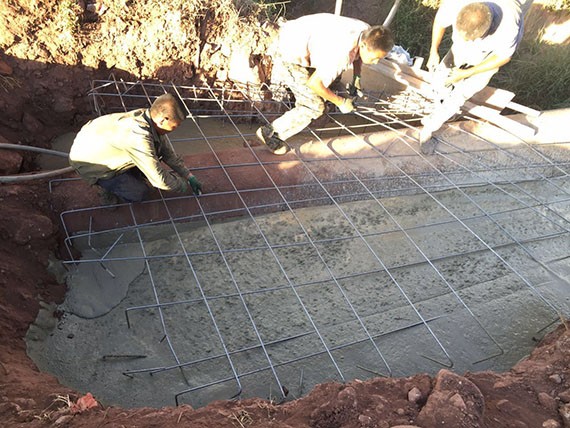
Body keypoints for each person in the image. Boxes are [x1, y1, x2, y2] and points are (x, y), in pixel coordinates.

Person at [256, 13, 395, 155]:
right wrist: (341, 102)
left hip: (300, 35)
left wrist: (357, 76)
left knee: (330, 82)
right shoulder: (341, 55)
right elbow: (315, 84)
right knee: (314, 106)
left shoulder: (367, 31)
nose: (376, 62)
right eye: (374, 58)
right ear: (364, 45)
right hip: (287, 50)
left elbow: (358, 55)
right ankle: (270, 133)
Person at [419, 0, 525, 154]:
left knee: (462, 92)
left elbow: (503, 57)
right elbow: (440, 22)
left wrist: (467, 73)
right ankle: (438, 100)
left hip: (489, 55)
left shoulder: (509, 24)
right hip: (470, 40)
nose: (465, 42)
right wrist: (433, 51)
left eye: (470, 39)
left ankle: (429, 128)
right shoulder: (455, 4)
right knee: (443, 73)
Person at [69, 93, 202, 204]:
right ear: (163, 120)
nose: (175, 129)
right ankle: (104, 188)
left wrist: (188, 175)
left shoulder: (149, 118)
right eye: (176, 125)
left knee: (151, 158)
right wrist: (182, 185)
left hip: (98, 146)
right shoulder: (139, 136)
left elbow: (167, 153)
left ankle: (124, 175)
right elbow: (159, 180)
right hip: (89, 163)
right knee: (141, 193)